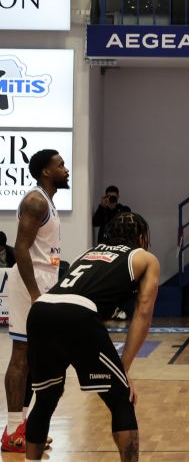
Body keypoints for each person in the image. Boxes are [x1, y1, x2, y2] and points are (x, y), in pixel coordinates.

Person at [24, 212, 159, 462]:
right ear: (141, 238)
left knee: (45, 399)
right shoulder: (145, 257)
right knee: (121, 399)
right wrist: (123, 370)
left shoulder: (88, 253)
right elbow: (142, 314)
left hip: (41, 311)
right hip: (77, 313)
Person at [2, 149, 68, 453]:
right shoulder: (35, 201)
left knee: (35, 357)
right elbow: (20, 248)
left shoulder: (48, 202)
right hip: (30, 283)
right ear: (46, 171)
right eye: (60, 165)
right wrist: (34, 293)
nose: (66, 169)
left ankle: (24, 426)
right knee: (21, 354)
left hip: (45, 279)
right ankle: (11, 430)